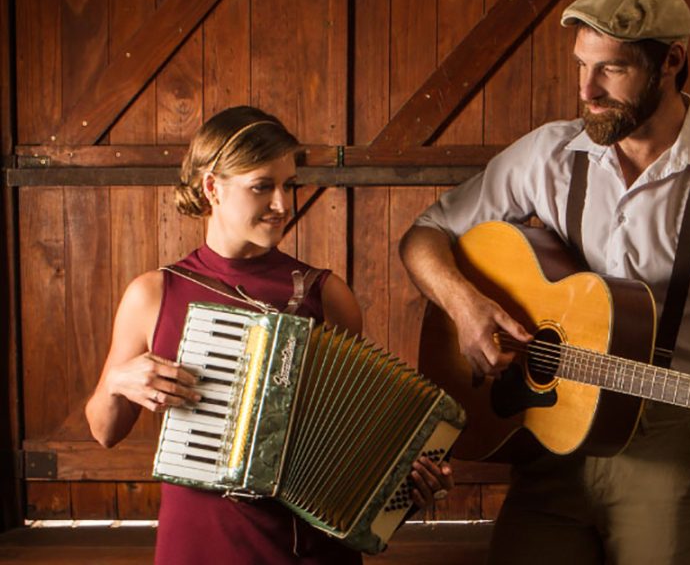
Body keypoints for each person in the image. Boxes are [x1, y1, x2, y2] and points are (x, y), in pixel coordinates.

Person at [399, 0, 690, 565]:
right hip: (548, 444)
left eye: (610, 69)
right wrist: (466, 306)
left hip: (665, 441)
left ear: (671, 61)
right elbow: (425, 235)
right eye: (581, 65)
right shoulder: (548, 155)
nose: (586, 89)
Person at [85, 106, 453, 565]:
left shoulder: (327, 293)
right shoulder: (153, 294)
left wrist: (405, 480)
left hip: (306, 548)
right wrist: (119, 381)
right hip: (199, 544)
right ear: (212, 188)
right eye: (262, 187)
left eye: (289, 186)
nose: (283, 205)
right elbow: (104, 431)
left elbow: (351, 441)